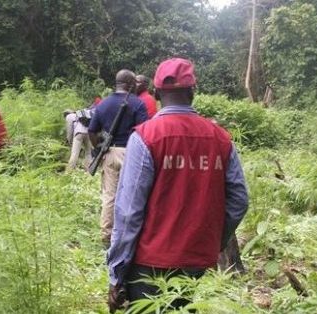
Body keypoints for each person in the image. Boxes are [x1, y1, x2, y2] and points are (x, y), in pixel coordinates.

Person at [106, 58, 249, 312]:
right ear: (193, 92)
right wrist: (213, 241)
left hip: (148, 264)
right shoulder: (221, 139)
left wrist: (116, 274)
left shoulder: (146, 136)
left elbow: (128, 212)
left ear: (157, 93)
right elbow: (238, 200)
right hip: (195, 262)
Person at [88, 70, 148, 246]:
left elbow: (92, 131)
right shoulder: (138, 104)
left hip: (111, 153)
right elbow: (145, 131)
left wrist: (99, 146)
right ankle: (132, 234)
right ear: (130, 83)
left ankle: (107, 236)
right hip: (132, 153)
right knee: (135, 194)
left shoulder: (103, 104)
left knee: (109, 196)